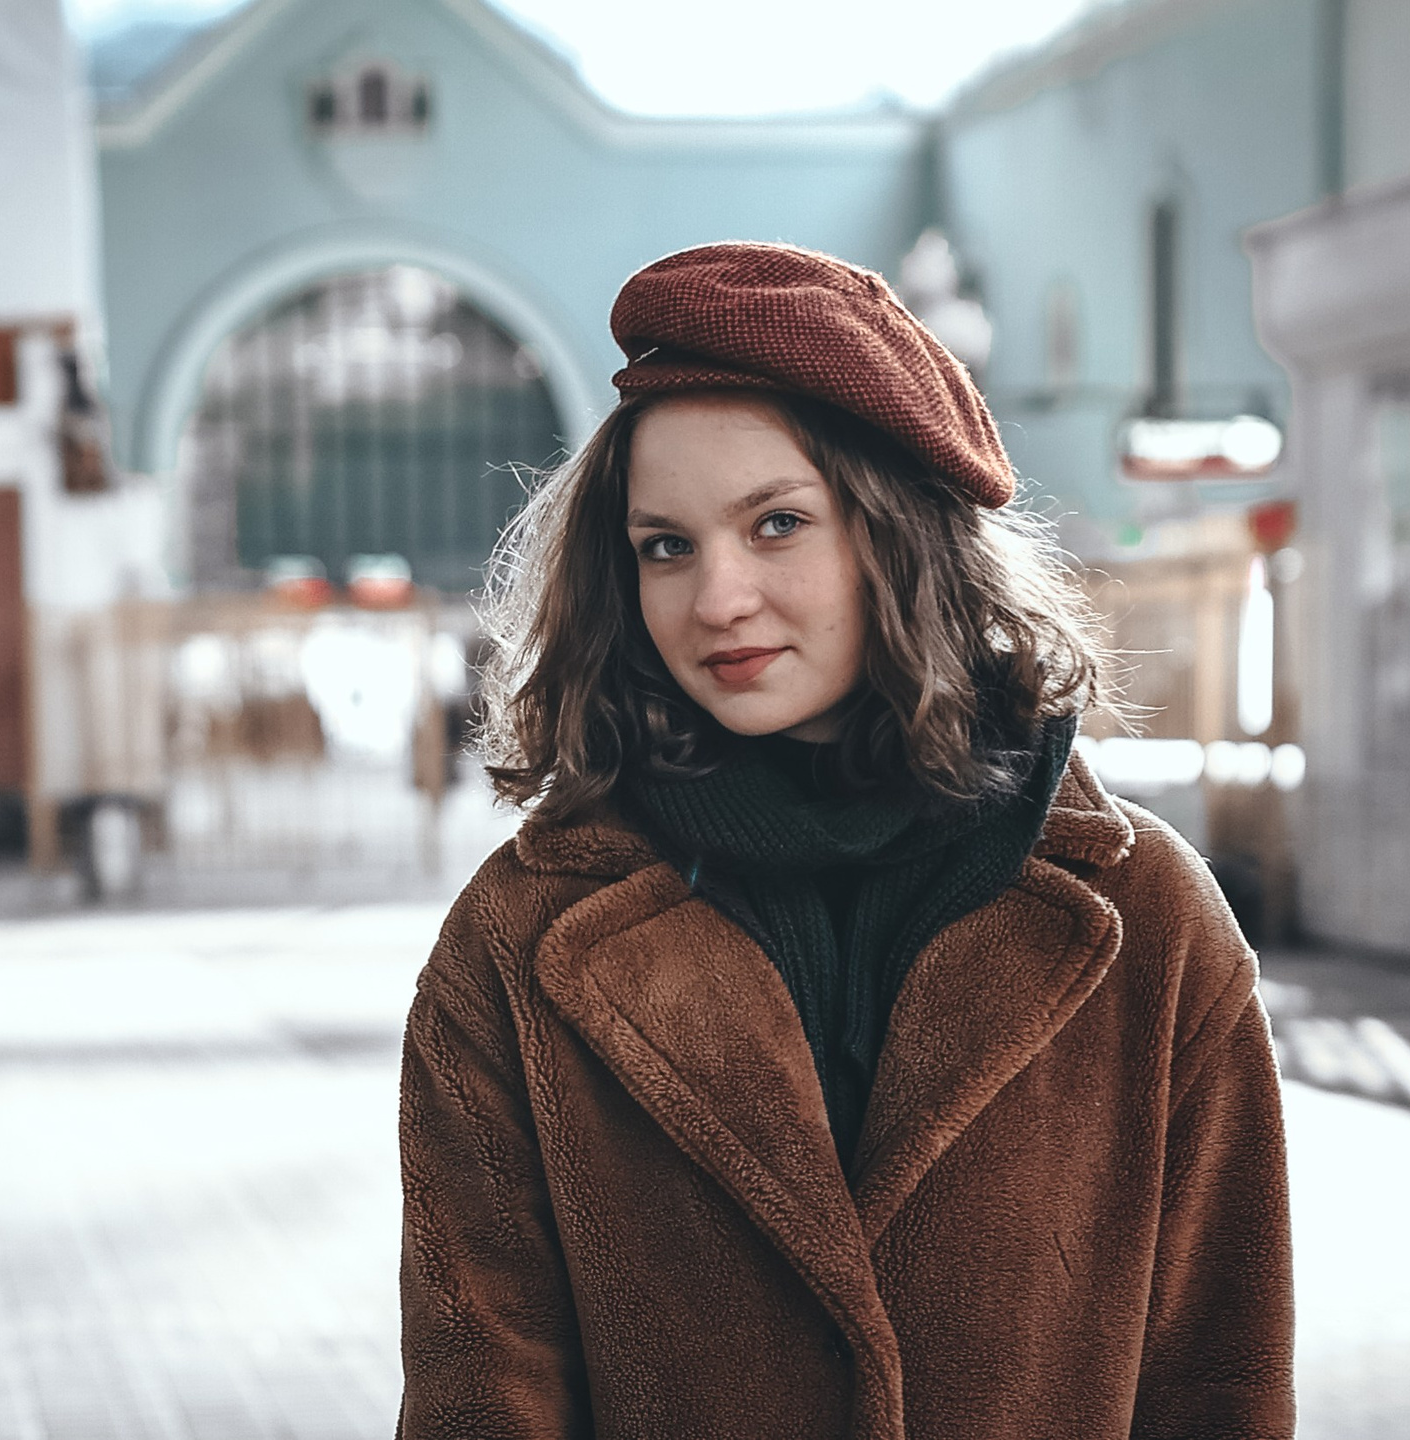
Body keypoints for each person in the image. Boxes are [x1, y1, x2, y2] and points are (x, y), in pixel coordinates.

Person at [398, 242, 1292, 1439]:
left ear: (900, 533)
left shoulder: (1150, 923)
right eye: (665, 544)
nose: (714, 598)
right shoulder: (520, 940)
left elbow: (1218, 1384)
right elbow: (479, 1397)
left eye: (775, 524)